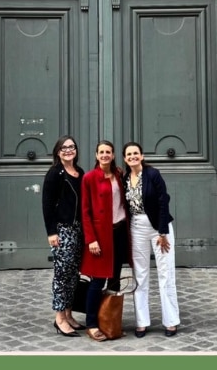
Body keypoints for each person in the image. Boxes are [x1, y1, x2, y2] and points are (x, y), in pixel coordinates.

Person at [122, 141, 180, 338]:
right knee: (140, 275)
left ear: (142, 155)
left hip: (158, 228)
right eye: (129, 154)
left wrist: (163, 231)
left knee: (166, 274)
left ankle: (171, 321)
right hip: (136, 228)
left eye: (135, 153)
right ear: (124, 158)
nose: (132, 157)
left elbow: (164, 200)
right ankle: (141, 322)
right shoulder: (124, 178)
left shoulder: (153, 174)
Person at [80, 140, 131, 342]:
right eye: (101, 152)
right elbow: (85, 212)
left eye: (108, 152)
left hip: (118, 233)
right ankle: (92, 323)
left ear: (113, 155)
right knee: (97, 280)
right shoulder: (89, 178)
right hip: (100, 236)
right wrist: (91, 239)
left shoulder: (118, 175)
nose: (104, 155)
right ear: (96, 155)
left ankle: (110, 321)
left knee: (115, 279)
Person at [42, 135, 85, 337]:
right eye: (64, 147)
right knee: (61, 275)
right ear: (58, 152)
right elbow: (47, 205)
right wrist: (52, 232)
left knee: (73, 273)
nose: (68, 150)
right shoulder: (54, 173)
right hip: (62, 230)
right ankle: (59, 318)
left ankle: (68, 313)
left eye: (72, 147)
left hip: (78, 229)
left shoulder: (79, 172)